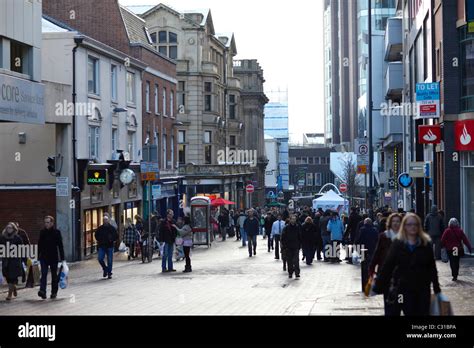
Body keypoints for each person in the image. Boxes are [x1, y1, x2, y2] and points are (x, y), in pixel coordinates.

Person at [373, 213, 441, 316]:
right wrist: (378, 285)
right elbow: (388, 265)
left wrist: (436, 287)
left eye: (415, 224)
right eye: (409, 224)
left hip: (422, 289)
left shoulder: (425, 244)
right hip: (403, 288)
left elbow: (431, 267)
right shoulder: (398, 244)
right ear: (404, 226)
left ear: (419, 226)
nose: (412, 227)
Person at [369, 213, 402, 315]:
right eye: (394, 221)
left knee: (399, 302)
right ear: (390, 223)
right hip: (386, 274)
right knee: (388, 302)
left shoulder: (405, 237)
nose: (396, 223)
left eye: (398, 221)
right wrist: (372, 267)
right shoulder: (383, 236)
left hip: (401, 275)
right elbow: (377, 253)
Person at [38, 216, 65, 299]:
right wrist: (37, 256)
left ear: (52, 223)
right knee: (44, 274)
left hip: (53, 257)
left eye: (48, 222)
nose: (46, 224)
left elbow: (60, 246)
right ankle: (42, 291)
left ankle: (54, 292)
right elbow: (39, 245)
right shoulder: (42, 232)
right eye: (45, 222)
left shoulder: (56, 232)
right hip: (44, 257)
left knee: (54, 275)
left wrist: (62, 258)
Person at [0, 223, 24, 300]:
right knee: (7, 277)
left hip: (15, 260)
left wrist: (24, 259)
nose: (8, 229)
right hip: (6, 260)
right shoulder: (2, 237)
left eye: (10, 228)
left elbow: (22, 249)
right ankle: (14, 287)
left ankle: (9, 294)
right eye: (7, 228)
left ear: (14, 229)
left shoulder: (17, 238)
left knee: (12, 277)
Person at [95, 215, 118, 279]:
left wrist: (111, 239)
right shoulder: (100, 228)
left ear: (108, 220)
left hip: (109, 246)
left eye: (106, 220)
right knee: (100, 258)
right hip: (102, 246)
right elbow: (96, 235)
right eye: (104, 220)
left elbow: (116, 236)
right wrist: (99, 240)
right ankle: (105, 268)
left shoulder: (112, 228)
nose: (105, 221)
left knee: (110, 260)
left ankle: (109, 273)